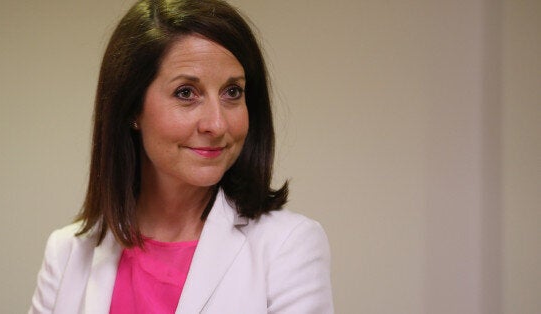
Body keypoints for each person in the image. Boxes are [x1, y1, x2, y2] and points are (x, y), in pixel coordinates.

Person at [29, 0, 333, 313]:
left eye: (232, 92)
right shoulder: (67, 252)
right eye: (186, 92)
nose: (216, 124)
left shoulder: (290, 245)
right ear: (132, 108)